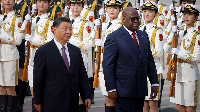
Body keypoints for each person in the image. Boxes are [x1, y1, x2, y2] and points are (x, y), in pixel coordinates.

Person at [102, 7, 159, 112]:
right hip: (123, 90)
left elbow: (149, 61)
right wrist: (111, 88)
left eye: (138, 18)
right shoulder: (114, 37)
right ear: (124, 19)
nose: (136, 21)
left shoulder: (143, 35)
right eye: (133, 19)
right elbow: (108, 65)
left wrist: (154, 83)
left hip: (140, 89)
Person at [33, 17, 91, 112]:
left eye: (70, 29)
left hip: (72, 102)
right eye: (65, 29)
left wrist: (86, 96)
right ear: (54, 29)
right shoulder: (43, 51)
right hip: (52, 102)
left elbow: (82, 75)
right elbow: (38, 79)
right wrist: (37, 101)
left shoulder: (75, 50)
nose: (68, 32)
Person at [163, 4, 200, 112]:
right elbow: (165, 48)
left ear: (196, 17)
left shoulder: (197, 35)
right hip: (178, 74)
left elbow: (197, 57)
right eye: (185, 14)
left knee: (190, 107)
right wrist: (172, 33)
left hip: (189, 76)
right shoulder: (178, 32)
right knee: (179, 107)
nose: (186, 17)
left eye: (190, 14)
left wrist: (179, 53)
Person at [20, 0, 54, 111]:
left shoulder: (49, 22)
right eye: (39, 2)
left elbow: (49, 42)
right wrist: (25, 22)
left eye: (44, 2)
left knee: (42, 88)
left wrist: (33, 40)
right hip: (31, 57)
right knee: (33, 88)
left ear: (48, 5)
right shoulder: (32, 20)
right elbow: (20, 35)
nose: (42, 4)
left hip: (42, 57)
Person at [93, 0, 122, 111]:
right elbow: (93, 42)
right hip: (102, 64)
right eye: (109, 8)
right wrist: (95, 29)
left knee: (114, 97)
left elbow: (118, 46)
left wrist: (104, 44)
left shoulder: (120, 26)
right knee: (107, 98)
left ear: (119, 10)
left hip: (113, 65)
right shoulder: (103, 25)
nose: (111, 10)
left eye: (115, 8)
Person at [68, 0, 94, 111]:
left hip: (81, 59)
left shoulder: (85, 23)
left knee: (81, 94)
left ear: (82, 7)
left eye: (78, 5)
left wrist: (70, 43)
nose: (75, 8)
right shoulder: (66, 22)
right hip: (67, 60)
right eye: (73, 5)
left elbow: (88, 43)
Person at [0, 0, 24, 111]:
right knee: (1, 88)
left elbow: (18, 40)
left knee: (10, 88)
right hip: (0, 54)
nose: (7, 1)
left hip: (10, 55)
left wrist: (3, 37)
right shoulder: (0, 18)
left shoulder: (17, 19)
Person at [140, 1, 163, 112]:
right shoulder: (139, 29)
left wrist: (142, 54)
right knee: (143, 102)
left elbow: (158, 52)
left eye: (150, 11)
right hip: (141, 69)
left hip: (153, 68)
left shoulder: (157, 30)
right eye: (145, 11)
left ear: (155, 14)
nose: (147, 14)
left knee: (153, 102)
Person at [13, 0, 29, 111]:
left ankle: (19, 101)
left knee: (20, 71)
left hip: (20, 41)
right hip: (6, 42)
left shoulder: (26, 5)